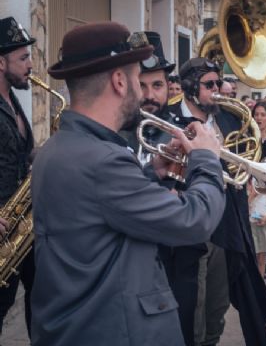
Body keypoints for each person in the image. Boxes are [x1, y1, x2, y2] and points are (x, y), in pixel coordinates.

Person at [30, 21, 226, 345]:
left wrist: (153, 174)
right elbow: (195, 220)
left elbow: (98, 208)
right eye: (137, 77)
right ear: (120, 81)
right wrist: (206, 158)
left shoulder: (55, 147)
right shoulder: (104, 160)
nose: (141, 88)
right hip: (116, 330)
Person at [170, 57, 266, 346]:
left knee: (217, 307)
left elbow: (248, 160)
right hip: (188, 225)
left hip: (226, 223)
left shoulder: (230, 118)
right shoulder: (169, 119)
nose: (218, 89)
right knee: (191, 305)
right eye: (210, 84)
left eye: (219, 82)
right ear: (190, 87)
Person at [0, 16, 36, 337]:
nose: (31, 65)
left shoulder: (14, 103)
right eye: (23, 58)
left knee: (42, 306)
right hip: (2, 232)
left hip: (23, 230)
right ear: (1, 62)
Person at [120, 31, 175, 163]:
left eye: (157, 85)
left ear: (168, 86)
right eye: (141, 85)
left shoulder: (184, 131)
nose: (149, 96)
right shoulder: (112, 134)